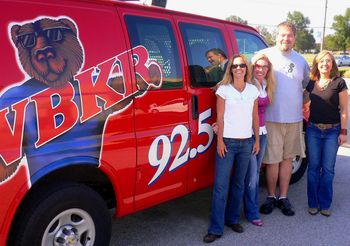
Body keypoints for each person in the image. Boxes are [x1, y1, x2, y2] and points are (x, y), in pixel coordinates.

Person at [203, 54, 260, 243]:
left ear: (246, 68)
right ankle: (216, 228)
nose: (238, 68)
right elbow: (219, 117)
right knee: (220, 186)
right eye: (235, 66)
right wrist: (219, 141)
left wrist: (257, 140)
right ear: (230, 69)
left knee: (239, 184)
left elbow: (255, 117)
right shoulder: (224, 90)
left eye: (242, 65)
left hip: (246, 143)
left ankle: (232, 219)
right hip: (227, 143)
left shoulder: (253, 90)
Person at [259, 21, 310, 216]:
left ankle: (283, 197)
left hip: (294, 119)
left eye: (289, 35)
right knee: (272, 160)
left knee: (287, 159)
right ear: (276, 35)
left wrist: (305, 102)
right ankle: (271, 196)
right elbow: (248, 74)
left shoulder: (300, 60)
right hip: (271, 118)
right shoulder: (265, 56)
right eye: (282, 34)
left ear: (294, 38)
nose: (285, 38)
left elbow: (307, 86)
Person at [303, 50, 348, 217]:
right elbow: (303, 100)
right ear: (317, 64)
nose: (325, 64)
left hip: (332, 131)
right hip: (313, 130)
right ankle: (313, 203)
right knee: (313, 168)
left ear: (332, 64)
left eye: (328, 61)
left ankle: (325, 203)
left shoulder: (339, 83)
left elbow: (344, 110)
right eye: (322, 61)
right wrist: (304, 105)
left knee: (328, 169)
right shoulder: (311, 83)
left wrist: (343, 131)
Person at [244, 53, 275, 226]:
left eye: (264, 66)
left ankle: (251, 208)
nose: (261, 69)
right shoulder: (248, 85)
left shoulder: (264, 84)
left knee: (255, 173)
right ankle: (252, 212)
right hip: (249, 134)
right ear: (252, 67)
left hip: (262, 133)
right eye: (257, 65)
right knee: (251, 175)